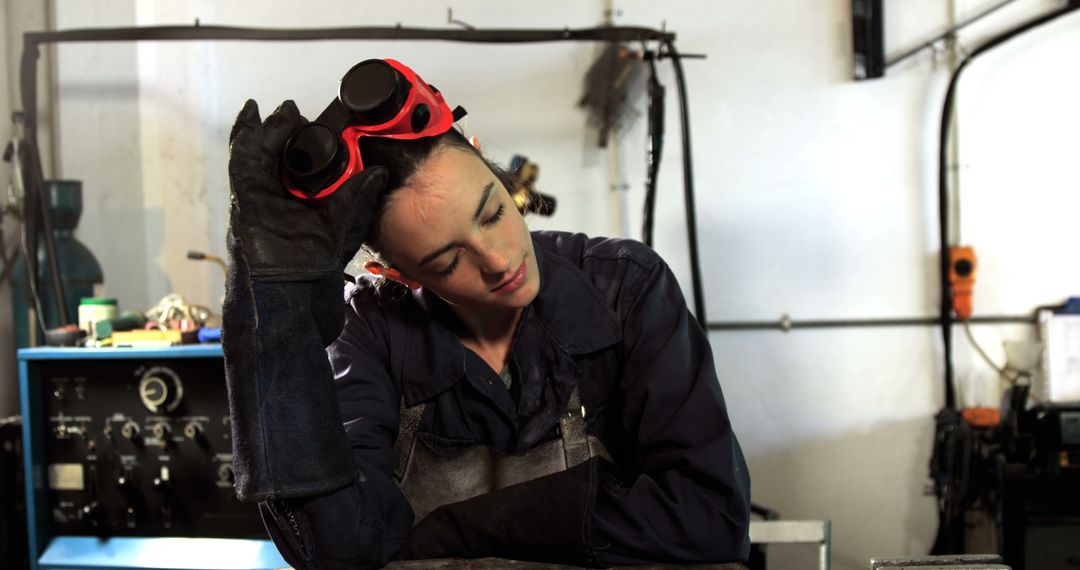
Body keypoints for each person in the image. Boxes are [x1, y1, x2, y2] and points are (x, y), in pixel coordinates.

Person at [223, 61, 751, 570]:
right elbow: (341, 545)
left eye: (494, 212)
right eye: (450, 261)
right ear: (398, 273)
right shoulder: (371, 331)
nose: (499, 260)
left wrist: (466, 528)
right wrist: (273, 315)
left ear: (486, 161)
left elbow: (710, 515)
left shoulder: (626, 289)